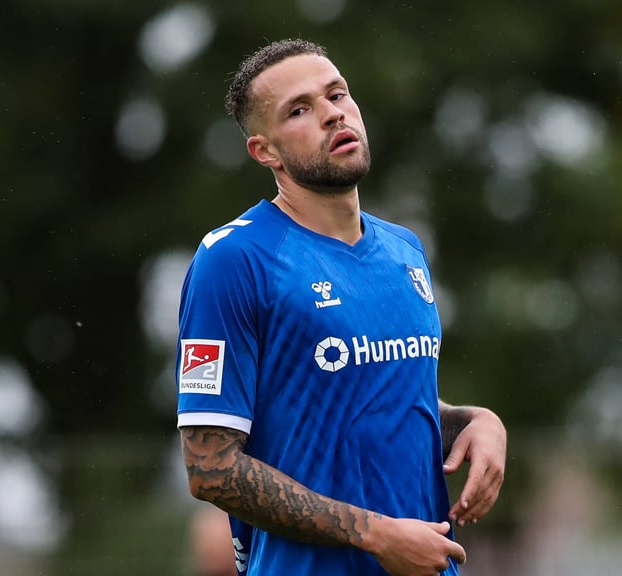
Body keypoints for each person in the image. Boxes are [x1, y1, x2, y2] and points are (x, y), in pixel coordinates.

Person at [175, 38, 507, 576]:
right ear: (266, 152)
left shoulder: (405, 250)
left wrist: (475, 422)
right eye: (300, 110)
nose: (332, 114)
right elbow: (210, 466)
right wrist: (374, 534)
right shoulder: (233, 260)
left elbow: (370, 404)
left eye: (337, 95)